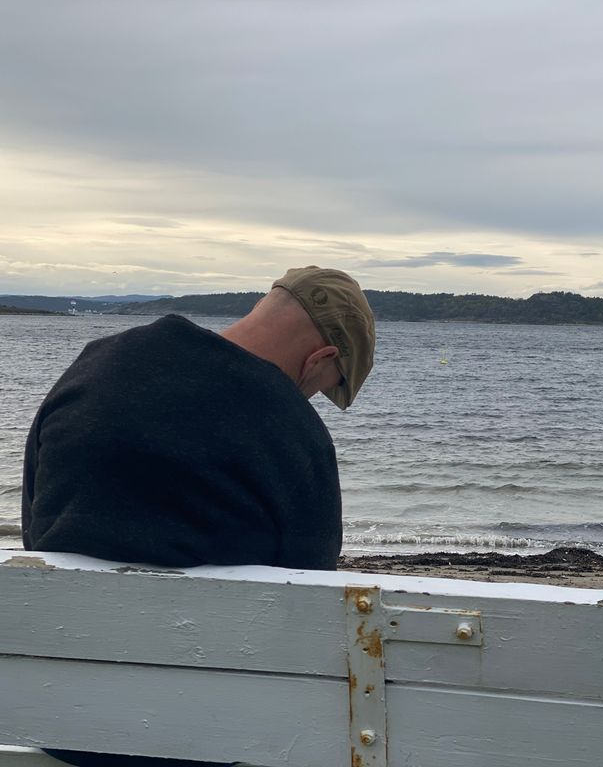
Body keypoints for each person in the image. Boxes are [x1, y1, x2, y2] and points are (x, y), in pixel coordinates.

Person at [21, 266, 375, 767]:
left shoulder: (96, 364)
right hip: (205, 740)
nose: (310, 398)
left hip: (62, 721)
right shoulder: (295, 432)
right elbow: (308, 611)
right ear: (320, 357)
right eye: (323, 385)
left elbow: (34, 532)